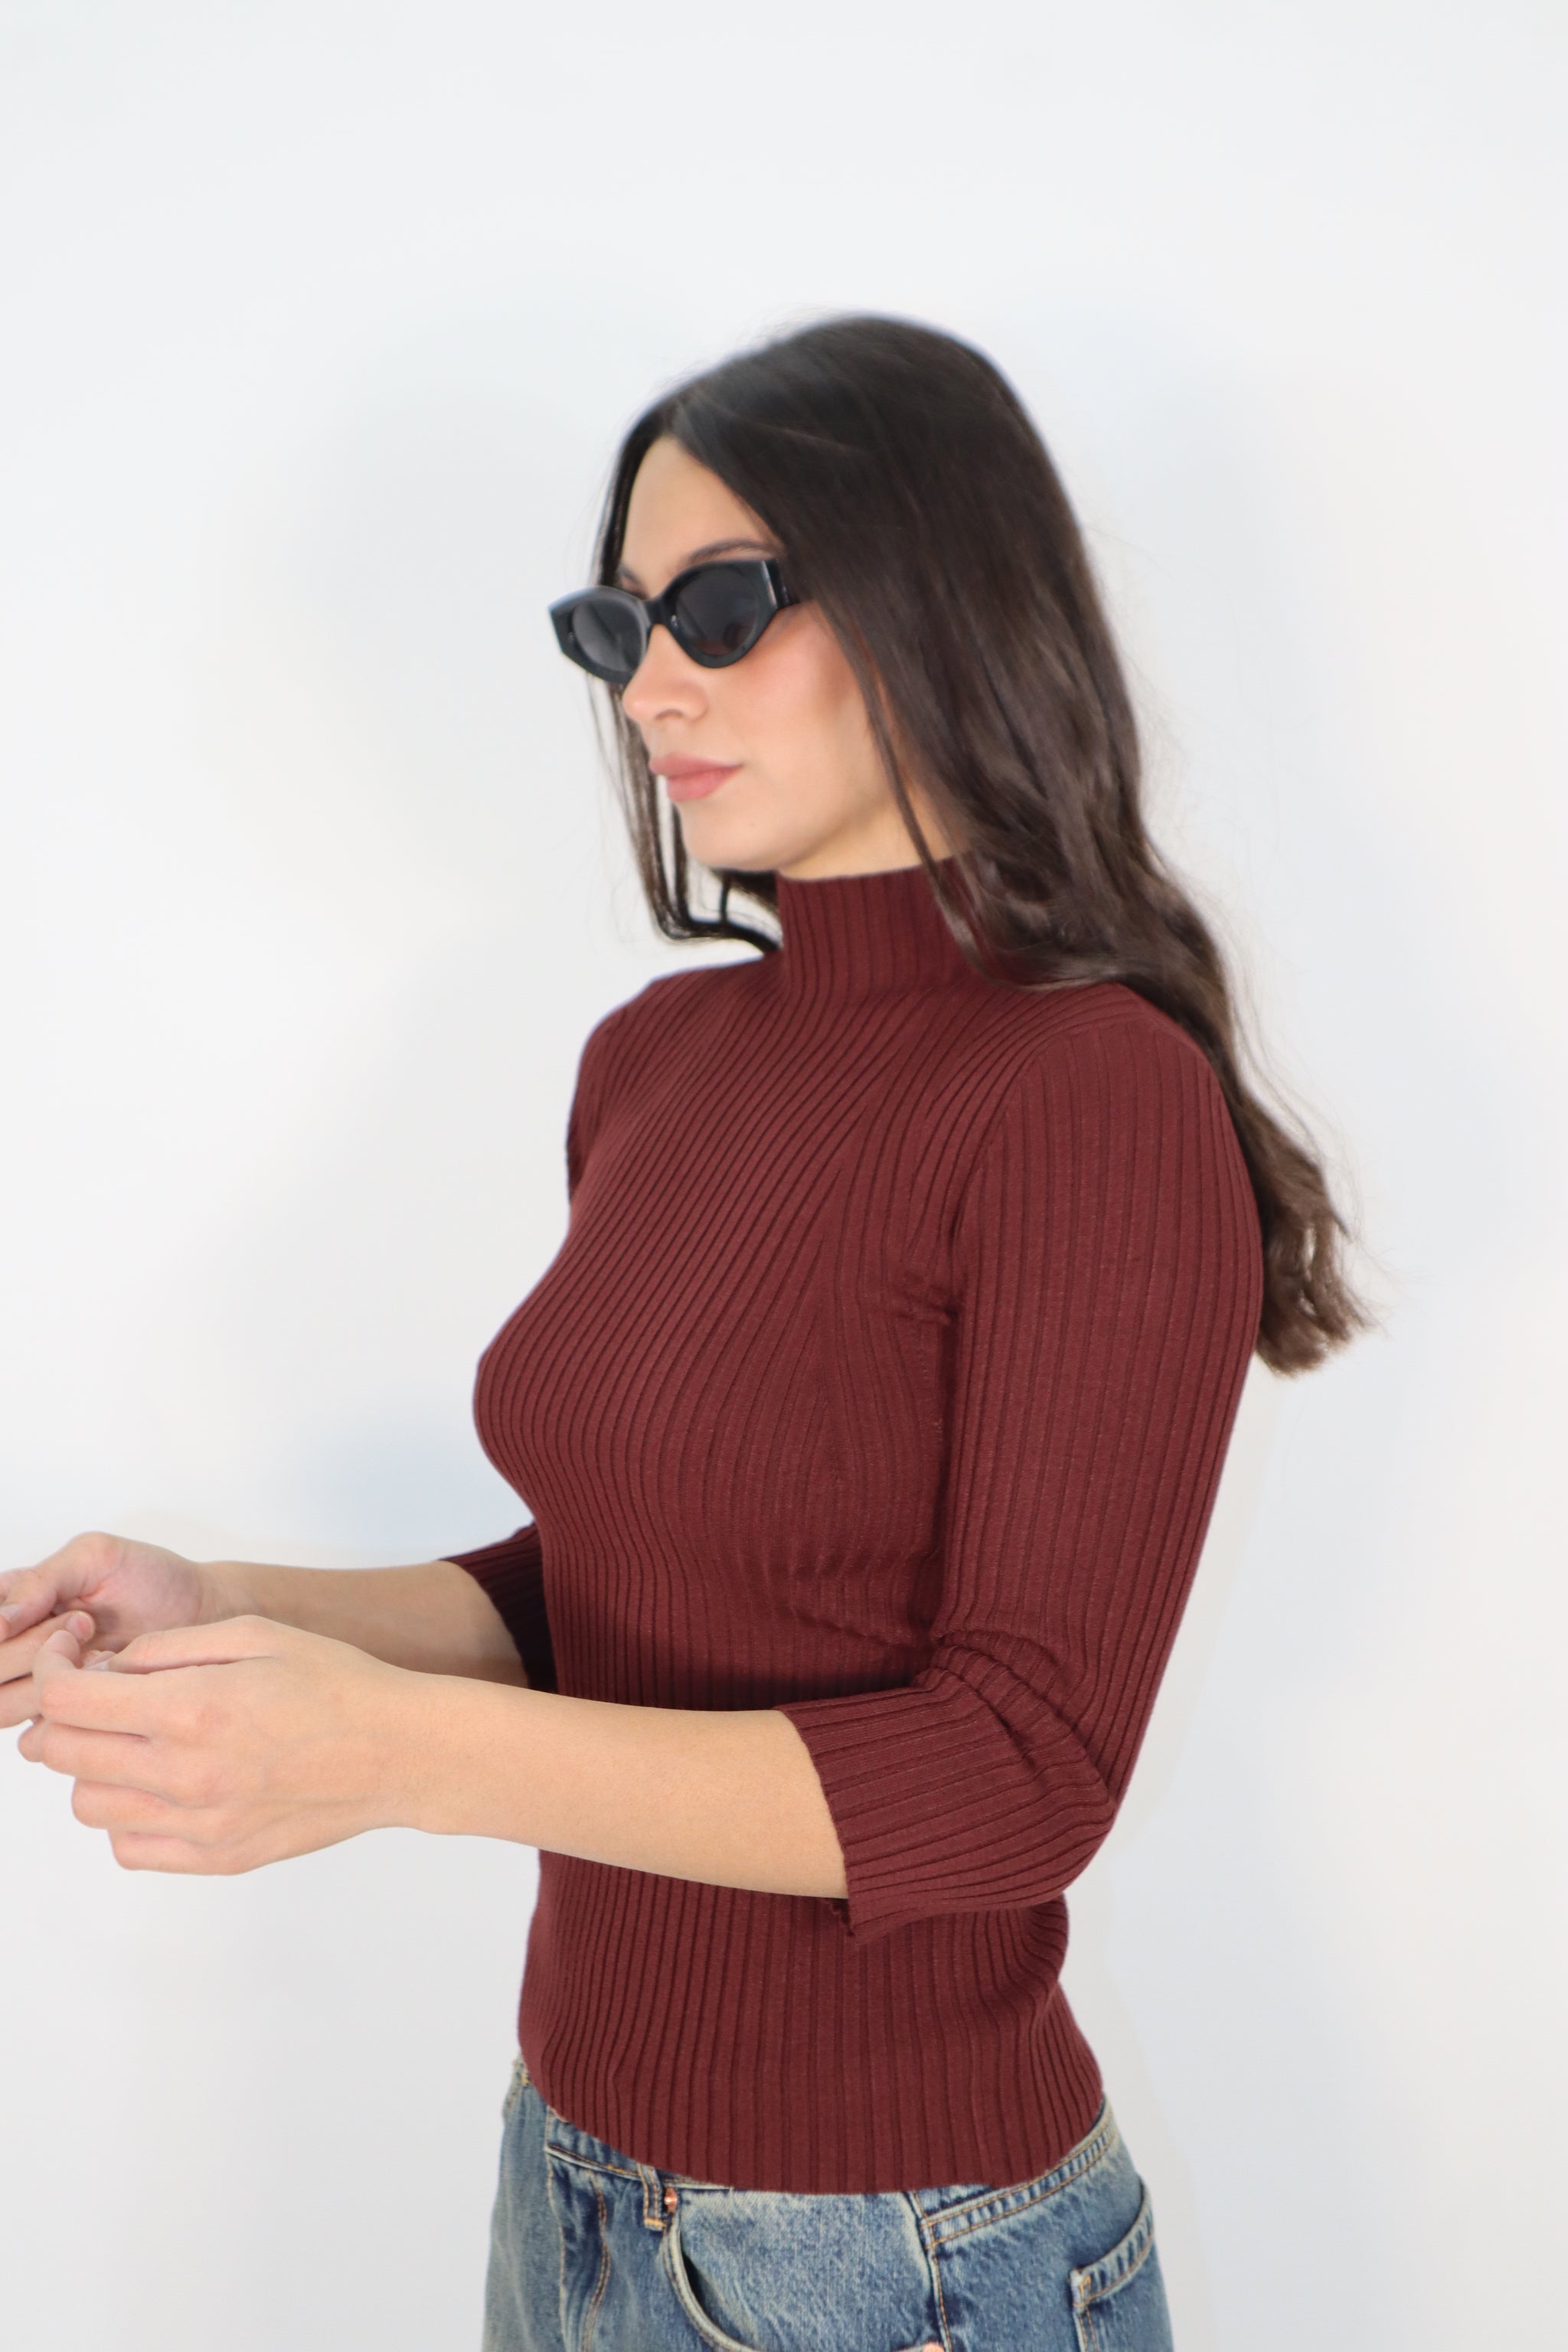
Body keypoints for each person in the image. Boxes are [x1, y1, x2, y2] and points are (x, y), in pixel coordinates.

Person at [1, 314, 1366, 2350]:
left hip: (895, 2255)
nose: (651, 684)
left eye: (720, 607)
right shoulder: (656, 1058)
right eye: (618, 625)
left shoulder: (1092, 1093)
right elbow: (624, 1593)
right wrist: (237, 1607)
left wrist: (384, 1755)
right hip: (570, 2179)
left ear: (938, 593)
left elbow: (1020, 1773)